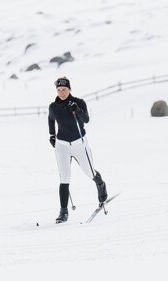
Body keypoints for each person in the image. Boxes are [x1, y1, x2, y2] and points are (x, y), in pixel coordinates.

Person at [47, 77, 108, 223]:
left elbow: (86, 120)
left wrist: (77, 110)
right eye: (59, 90)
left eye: (64, 90)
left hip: (79, 143)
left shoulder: (79, 102)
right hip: (62, 145)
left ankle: (101, 185)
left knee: (89, 172)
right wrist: (52, 135)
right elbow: (50, 119)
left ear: (70, 89)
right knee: (64, 177)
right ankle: (63, 211)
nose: (61, 93)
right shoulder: (53, 106)